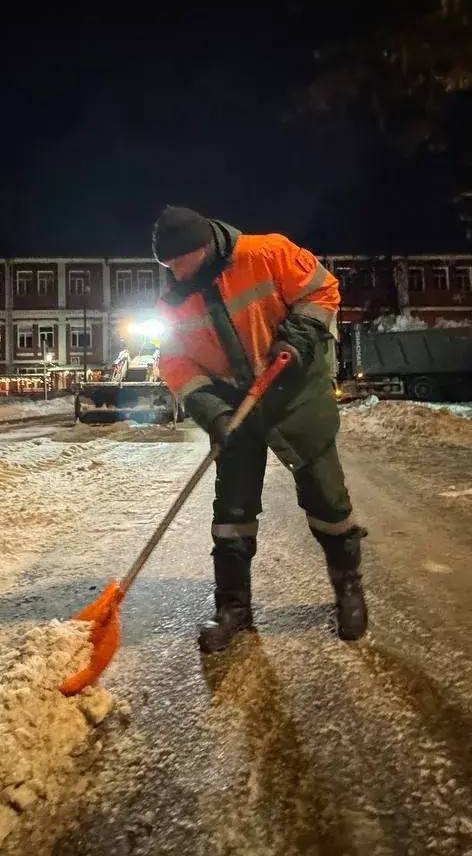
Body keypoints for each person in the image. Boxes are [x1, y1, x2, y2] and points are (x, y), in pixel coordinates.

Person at [151, 205, 369, 652]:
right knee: (231, 512)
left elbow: (321, 290)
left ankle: (348, 590)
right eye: (167, 266)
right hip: (234, 404)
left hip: (294, 392)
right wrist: (212, 412)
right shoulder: (174, 300)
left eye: (180, 262)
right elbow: (174, 362)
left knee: (328, 499)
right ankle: (233, 609)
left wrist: (298, 335)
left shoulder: (267, 252)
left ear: (205, 246)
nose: (175, 273)